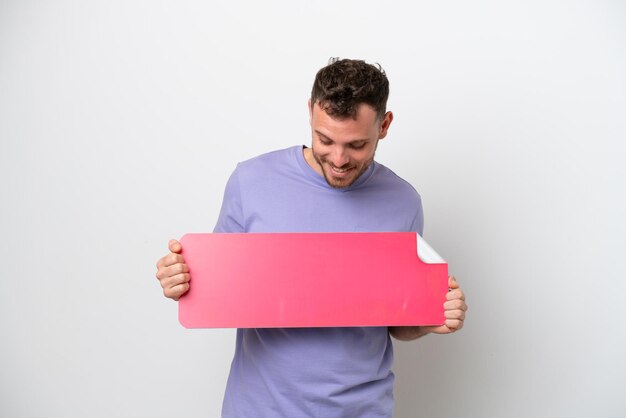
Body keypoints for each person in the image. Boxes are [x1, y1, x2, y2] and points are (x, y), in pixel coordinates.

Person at [155, 58, 468, 417]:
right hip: (260, 409)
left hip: (361, 409)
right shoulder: (251, 181)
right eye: (325, 139)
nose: (338, 158)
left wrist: (429, 318)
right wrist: (180, 278)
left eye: (356, 145)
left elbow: (396, 320)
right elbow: (216, 288)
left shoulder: (403, 202)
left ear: (384, 125)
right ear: (310, 112)